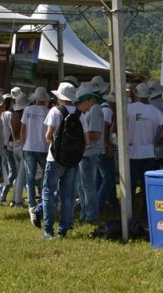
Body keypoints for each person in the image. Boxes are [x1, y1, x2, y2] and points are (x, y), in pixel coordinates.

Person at [39, 82, 82, 239]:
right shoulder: (79, 113)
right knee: (67, 195)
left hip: (55, 158)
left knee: (48, 192)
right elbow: (86, 140)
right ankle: (63, 230)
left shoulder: (55, 111)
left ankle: (48, 230)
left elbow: (48, 136)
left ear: (60, 98)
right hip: (72, 160)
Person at [124, 82, 163, 220]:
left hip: (132, 153)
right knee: (146, 187)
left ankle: (130, 214)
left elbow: (117, 127)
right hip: (149, 153)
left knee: (130, 187)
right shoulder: (155, 111)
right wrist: (160, 140)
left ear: (136, 95)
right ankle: (145, 214)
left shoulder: (128, 109)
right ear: (149, 96)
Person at [79, 81, 105, 225]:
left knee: (88, 186)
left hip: (91, 152)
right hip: (87, 152)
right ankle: (85, 213)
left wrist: (80, 135)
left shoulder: (95, 109)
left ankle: (91, 216)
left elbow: (95, 134)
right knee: (83, 186)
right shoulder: (91, 110)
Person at [22, 87, 51, 216]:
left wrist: (23, 145)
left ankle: (31, 203)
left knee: (30, 177)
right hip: (43, 147)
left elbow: (23, 129)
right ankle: (44, 200)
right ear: (45, 100)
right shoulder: (48, 111)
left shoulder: (27, 110)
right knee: (46, 176)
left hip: (28, 147)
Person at [99, 92, 119, 213]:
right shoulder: (108, 111)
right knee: (109, 178)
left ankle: (112, 203)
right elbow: (103, 128)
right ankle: (99, 203)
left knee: (102, 179)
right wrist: (108, 144)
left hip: (98, 148)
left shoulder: (103, 108)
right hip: (103, 148)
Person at [9, 93, 29, 207]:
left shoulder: (13, 117)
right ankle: (17, 202)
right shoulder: (24, 118)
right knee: (21, 178)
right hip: (22, 147)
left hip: (15, 148)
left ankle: (14, 199)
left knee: (18, 176)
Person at [0, 95, 17, 205]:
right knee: (13, 172)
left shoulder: (0, 114)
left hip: (1, 146)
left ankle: (1, 195)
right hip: (9, 146)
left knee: (4, 172)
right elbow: (13, 129)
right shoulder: (9, 114)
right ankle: (3, 194)